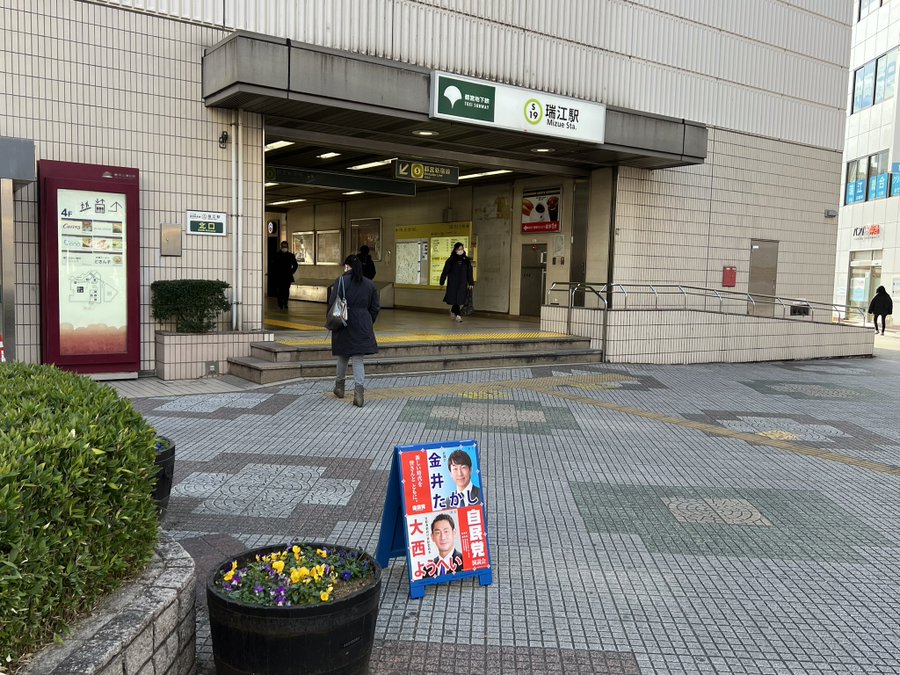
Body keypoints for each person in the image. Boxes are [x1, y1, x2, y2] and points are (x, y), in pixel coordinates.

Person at [328, 255, 379, 407]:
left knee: (343, 355)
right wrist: (368, 320)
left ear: (347, 267)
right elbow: (375, 307)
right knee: (358, 359)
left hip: (344, 322)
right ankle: (359, 394)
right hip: (363, 323)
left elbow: (332, 303)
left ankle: (339, 387)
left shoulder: (341, 281)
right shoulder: (370, 284)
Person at [439, 241, 474, 322]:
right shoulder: (450, 260)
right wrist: (442, 282)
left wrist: (471, 282)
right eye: (459, 249)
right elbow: (445, 271)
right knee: (455, 299)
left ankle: (453, 311)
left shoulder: (466, 260)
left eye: (462, 249)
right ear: (455, 250)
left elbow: (469, 272)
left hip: (462, 283)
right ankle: (458, 315)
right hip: (453, 283)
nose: (460, 250)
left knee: (459, 300)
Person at [422, 513, 464, 578]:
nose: (443, 537)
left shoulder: (464, 561)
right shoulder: (427, 569)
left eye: (446, 531)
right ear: (432, 537)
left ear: (454, 533)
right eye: (438, 533)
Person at [273, 241, 298, 310]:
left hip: (287, 276)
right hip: (279, 277)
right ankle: (280, 304)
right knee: (280, 291)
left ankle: (285, 303)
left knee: (286, 291)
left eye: (285, 246)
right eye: (283, 246)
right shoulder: (277, 255)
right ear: (281, 247)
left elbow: (295, 265)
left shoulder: (291, 255)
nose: (284, 248)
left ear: (287, 247)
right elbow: (273, 266)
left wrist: (291, 272)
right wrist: (275, 273)